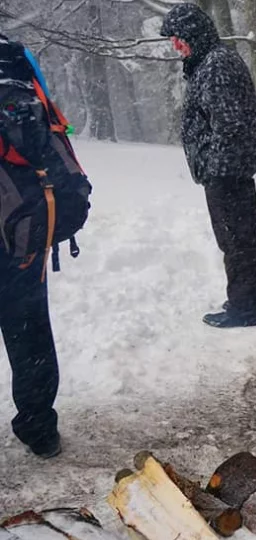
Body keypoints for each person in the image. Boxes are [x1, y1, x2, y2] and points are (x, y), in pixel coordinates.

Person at [160, 4, 256, 329]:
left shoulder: (216, 64)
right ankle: (255, 299)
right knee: (244, 237)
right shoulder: (213, 61)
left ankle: (244, 307)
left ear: (193, 34)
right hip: (229, 168)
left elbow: (229, 123)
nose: (176, 45)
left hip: (226, 171)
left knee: (235, 241)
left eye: (179, 38)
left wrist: (210, 162)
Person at [0, 34, 72, 458]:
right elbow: (49, 129)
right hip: (23, 221)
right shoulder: (16, 57)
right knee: (29, 330)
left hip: (20, 214)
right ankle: (40, 427)